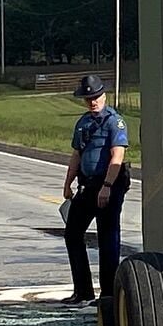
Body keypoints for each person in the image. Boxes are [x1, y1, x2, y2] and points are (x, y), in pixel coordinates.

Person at [61, 75, 130, 305]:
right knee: (72, 234)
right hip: (87, 186)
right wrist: (68, 183)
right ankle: (83, 291)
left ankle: (108, 293)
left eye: (96, 97)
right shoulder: (83, 123)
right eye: (88, 98)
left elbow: (117, 156)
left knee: (107, 238)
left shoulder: (114, 122)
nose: (93, 102)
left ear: (104, 96)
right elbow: (76, 154)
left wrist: (107, 186)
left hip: (108, 186)